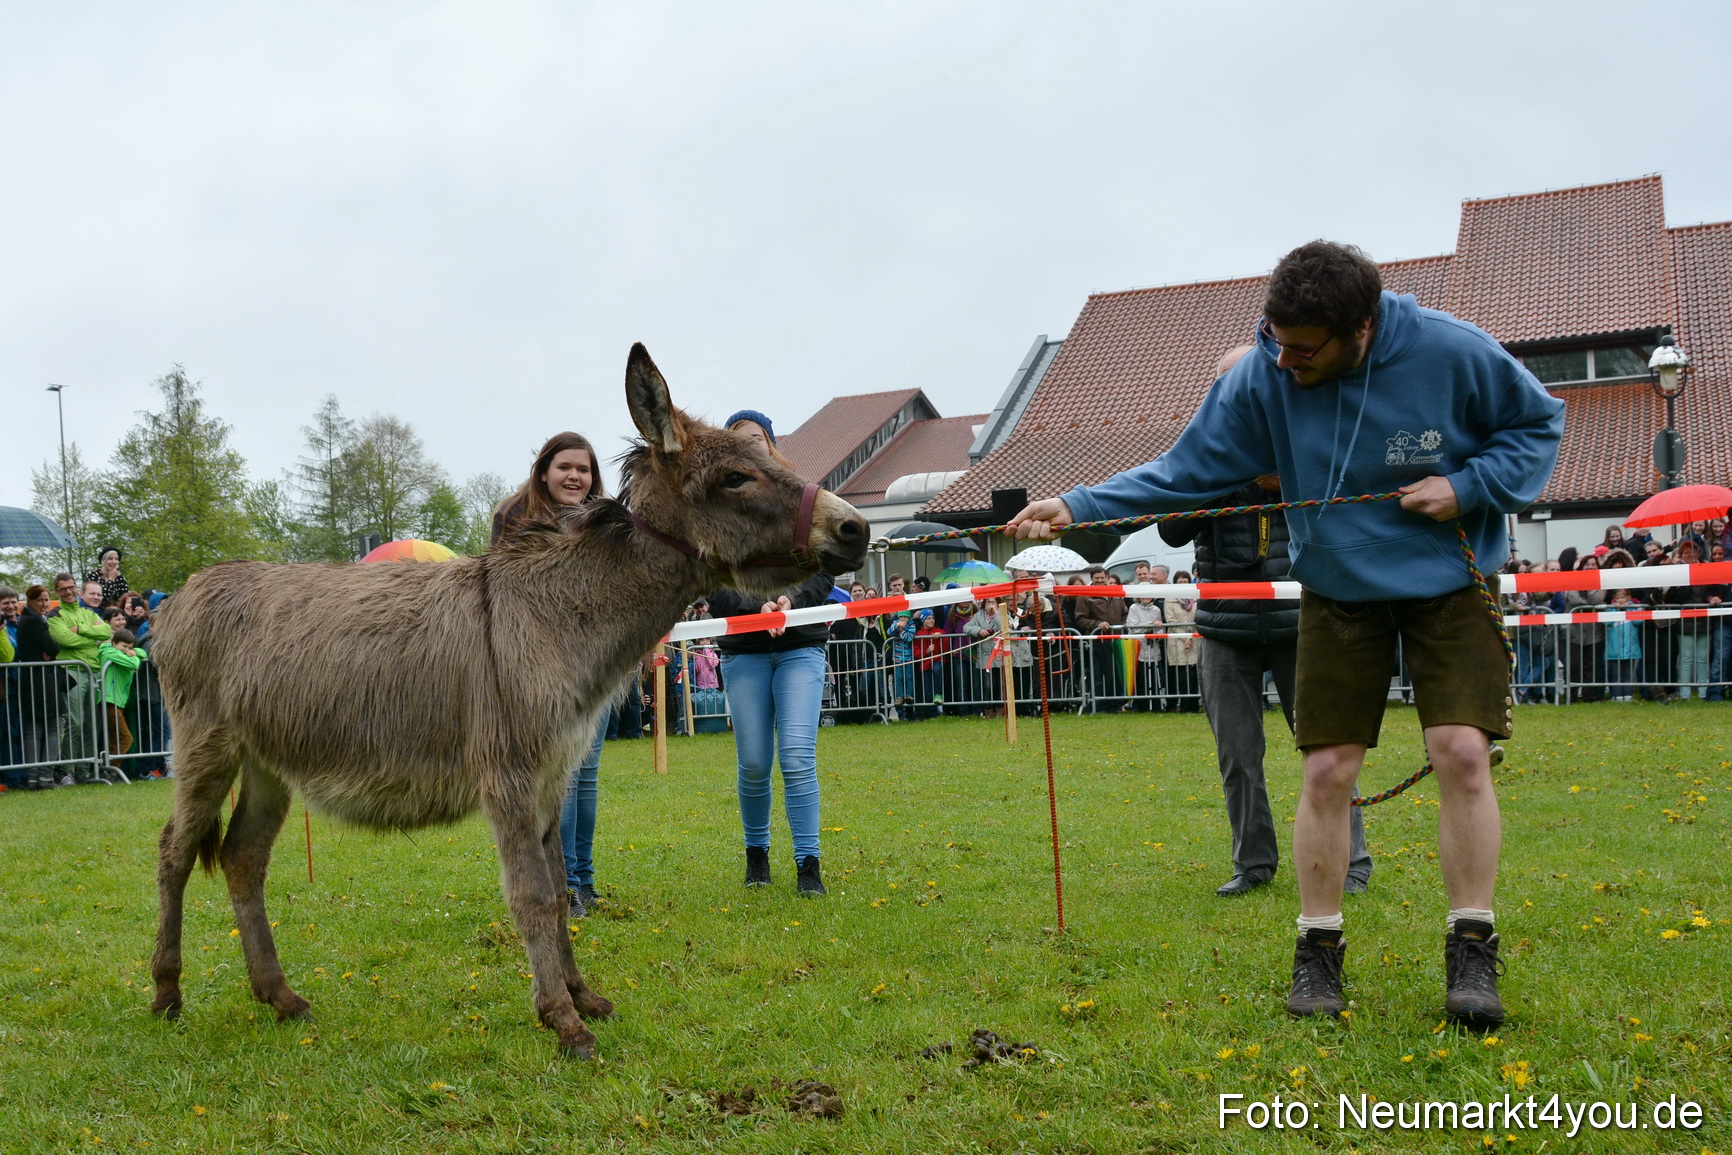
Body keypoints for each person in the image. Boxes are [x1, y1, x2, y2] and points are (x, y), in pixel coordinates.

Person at [1008, 241, 1563, 1025]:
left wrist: (1468, 485)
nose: (1285, 361)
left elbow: (1538, 423)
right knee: (1329, 769)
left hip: (1449, 579)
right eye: (1276, 340)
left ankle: (1471, 947)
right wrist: (1079, 505)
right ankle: (1318, 952)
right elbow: (1184, 468)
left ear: (1360, 329)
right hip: (1339, 590)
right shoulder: (1263, 371)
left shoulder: (1452, 350)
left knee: (1463, 753)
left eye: (1304, 349)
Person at [1159, 407, 1373, 897]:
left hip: (1301, 625)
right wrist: (1218, 474)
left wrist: (1288, 481)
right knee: (1237, 755)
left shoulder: (1308, 441)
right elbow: (1170, 530)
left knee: (1328, 749)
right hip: (1224, 630)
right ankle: (1253, 864)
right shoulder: (1206, 452)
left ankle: (1352, 863)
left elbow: (1347, 507)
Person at [707, 411, 831, 896]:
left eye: (757, 440)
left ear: (773, 445)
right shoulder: (715, 512)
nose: (751, 448)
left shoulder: (803, 499)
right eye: (739, 443)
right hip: (745, 651)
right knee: (755, 762)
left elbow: (825, 569)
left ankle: (809, 865)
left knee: (798, 758)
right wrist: (755, 606)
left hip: (801, 645)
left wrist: (790, 603)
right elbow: (711, 584)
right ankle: (756, 856)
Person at [491, 431, 611, 917]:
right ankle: (553, 888)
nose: (575, 477)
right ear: (544, 470)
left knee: (585, 777)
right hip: (535, 672)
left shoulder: (603, 521)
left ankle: (583, 881)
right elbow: (500, 592)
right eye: (565, 467)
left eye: (583, 469)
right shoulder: (514, 516)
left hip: (593, 666)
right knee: (550, 781)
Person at [48, 573, 113, 784]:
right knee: (75, 722)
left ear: (76, 588)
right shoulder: (55, 615)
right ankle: (66, 770)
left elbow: (105, 631)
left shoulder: (87, 612)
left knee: (90, 723)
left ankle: (83, 770)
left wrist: (82, 630)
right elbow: (64, 639)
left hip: (92, 671)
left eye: (70, 587)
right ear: (57, 592)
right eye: (62, 589)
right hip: (71, 671)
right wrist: (91, 639)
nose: (67, 591)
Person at [13, 586, 63, 789]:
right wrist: (50, 651)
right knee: (52, 728)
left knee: (35, 729)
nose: (44, 604)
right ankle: (44, 776)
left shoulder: (25, 620)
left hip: (32, 679)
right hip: (42, 680)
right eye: (40, 600)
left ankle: (35, 776)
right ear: (30, 600)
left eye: (46, 600)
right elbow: (53, 647)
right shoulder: (34, 621)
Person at [1076, 568, 1129, 712]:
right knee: (1098, 677)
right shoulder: (1085, 596)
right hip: (1097, 642)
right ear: (1091, 578)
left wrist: (1122, 626)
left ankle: (1116, 704)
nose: (1099, 580)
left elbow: (1125, 612)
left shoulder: (1115, 593)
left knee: (1115, 675)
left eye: (1102, 577)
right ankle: (1099, 706)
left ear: (1106, 577)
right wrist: (1096, 625)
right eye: (1096, 578)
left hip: (1116, 641)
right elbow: (1080, 618)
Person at [1161, 573, 1201, 713]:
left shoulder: (1196, 599)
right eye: (1180, 581)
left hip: (1195, 641)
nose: (1183, 582)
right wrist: (1185, 638)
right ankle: (1184, 707)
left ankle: (1194, 706)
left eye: (1185, 580)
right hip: (1178, 642)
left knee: (1194, 675)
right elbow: (1171, 621)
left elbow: (1199, 618)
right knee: (1182, 676)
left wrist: (1191, 637)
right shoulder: (1170, 599)